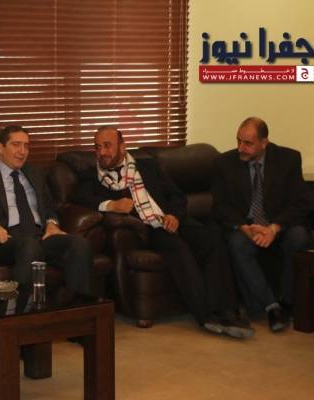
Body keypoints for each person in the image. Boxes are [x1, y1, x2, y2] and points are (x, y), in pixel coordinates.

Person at [73, 126, 254, 339]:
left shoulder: (147, 167)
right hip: (148, 229)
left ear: (122, 146)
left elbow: (177, 196)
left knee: (212, 241)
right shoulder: (92, 176)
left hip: (173, 219)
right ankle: (206, 315)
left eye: (107, 146)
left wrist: (174, 216)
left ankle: (226, 310)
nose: (102, 152)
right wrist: (111, 204)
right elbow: (80, 198)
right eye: (97, 147)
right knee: (178, 248)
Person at [0, 125, 93, 295]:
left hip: (40, 236)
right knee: (28, 245)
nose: (22, 151)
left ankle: (78, 306)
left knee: (79, 244)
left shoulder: (35, 173)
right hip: (8, 239)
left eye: (26, 146)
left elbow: (49, 207)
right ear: (1, 147)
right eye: (16, 144)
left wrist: (51, 224)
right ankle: (22, 308)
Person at [212, 117, 310, 333]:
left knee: (299, 236)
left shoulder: (288, 159)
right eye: (239, 141)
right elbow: (220, 206)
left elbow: (299, 203)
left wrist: (274, 228)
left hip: (278, 223)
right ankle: (271, 306)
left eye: (248, 143)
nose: (241, 148)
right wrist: (243, 227)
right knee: (236, 243)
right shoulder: (224, 164)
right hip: (246, 226)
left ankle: (286, 302)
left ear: (264, 142)